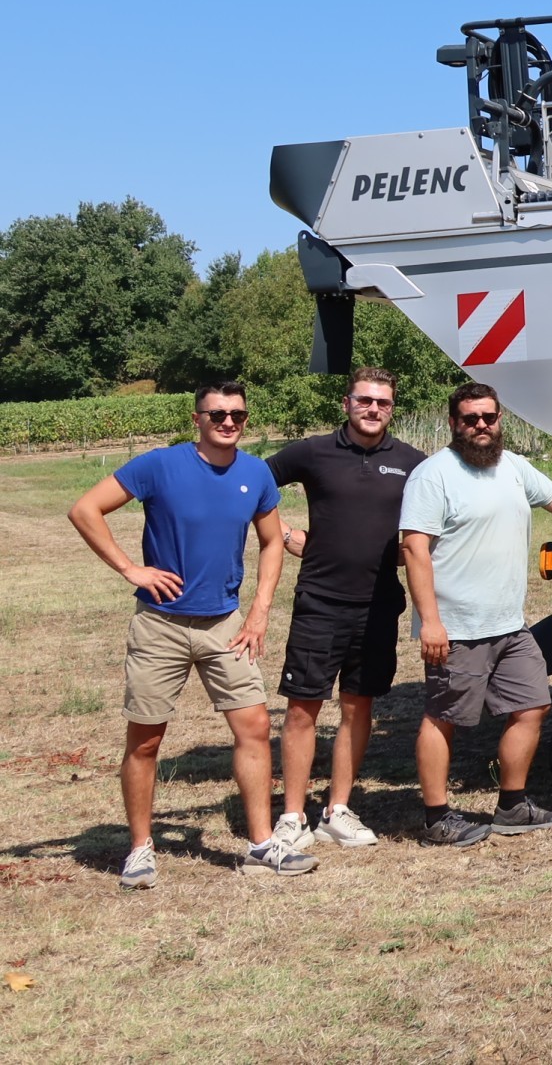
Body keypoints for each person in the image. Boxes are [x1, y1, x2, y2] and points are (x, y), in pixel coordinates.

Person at [68, 381, 317, 886]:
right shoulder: (159, 465)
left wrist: (260, 612)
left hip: (227, 626)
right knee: (145, 739)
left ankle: (262, 844)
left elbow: (272, 542)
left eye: (238, 415)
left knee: (252, 731)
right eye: (218, 413)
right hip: (160, 624)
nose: (229, 422)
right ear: (197, 418)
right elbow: (84, 510)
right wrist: (131, 569)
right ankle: (140, 849)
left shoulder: (255, 474)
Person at [398, 382, 552, 847]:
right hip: (458, 626)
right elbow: (414, 549)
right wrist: (430, 621)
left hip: (509, 625)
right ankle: (436, 816)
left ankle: (512, 805)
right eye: (470, 418)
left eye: (488, 418)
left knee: (532, 707)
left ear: (500, 421)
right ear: (454, 423)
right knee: (444, 718)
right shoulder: (433, 475)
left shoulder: (512, 467)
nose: (480, 426)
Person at [264, 366, 426, 851]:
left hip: (379, 606)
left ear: (392, 408)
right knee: (302, 709)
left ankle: (338, 809)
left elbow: (443, 509)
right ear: (346, 403)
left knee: (358, 708)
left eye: (383, 403)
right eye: (364, 400)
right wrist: (286, 535)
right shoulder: (313, 452)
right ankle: (293, 815)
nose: (373, 409)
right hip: (320, 601)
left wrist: (415, 548)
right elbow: (255, 483)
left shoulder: (413, 462)